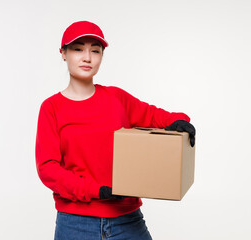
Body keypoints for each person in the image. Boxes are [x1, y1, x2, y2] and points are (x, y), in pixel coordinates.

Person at [35, 20, 196, 240]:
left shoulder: (116, 98)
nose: (87, 57)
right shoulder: (51, 108)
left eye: (95, 50)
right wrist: (97, 190)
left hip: (126, 218)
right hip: (75, 222)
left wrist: (181, 121)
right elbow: (48, 169)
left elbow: (154, 115)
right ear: (63, 53)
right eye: (78, 49)